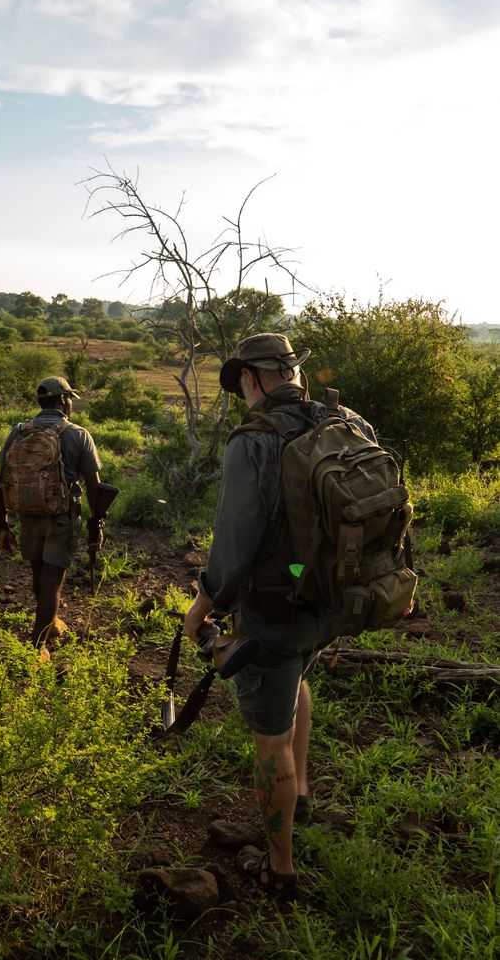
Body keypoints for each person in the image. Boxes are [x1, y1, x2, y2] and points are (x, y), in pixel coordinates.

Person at [183, 333, 376, 900]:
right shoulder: (349, 421)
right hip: (332, 601)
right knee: (299, 677)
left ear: (249, 378)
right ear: (294, 371)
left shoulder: (253, 442)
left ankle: (279, 866)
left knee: (270, 739)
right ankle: (304, 797)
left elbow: (233, 546)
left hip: (273, 609)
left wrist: (204, 605)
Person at [0, 376, 102, 646]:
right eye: (70, 400)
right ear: (64, 401)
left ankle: (49, 622)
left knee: (38, 574)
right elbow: (95, 488)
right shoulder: (78, 434)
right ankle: (37, 647)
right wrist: (95, 524)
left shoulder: (19, 431)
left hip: (28, 515)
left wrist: (3, 525)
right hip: (61, 519)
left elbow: (1, 481)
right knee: (52, 582)